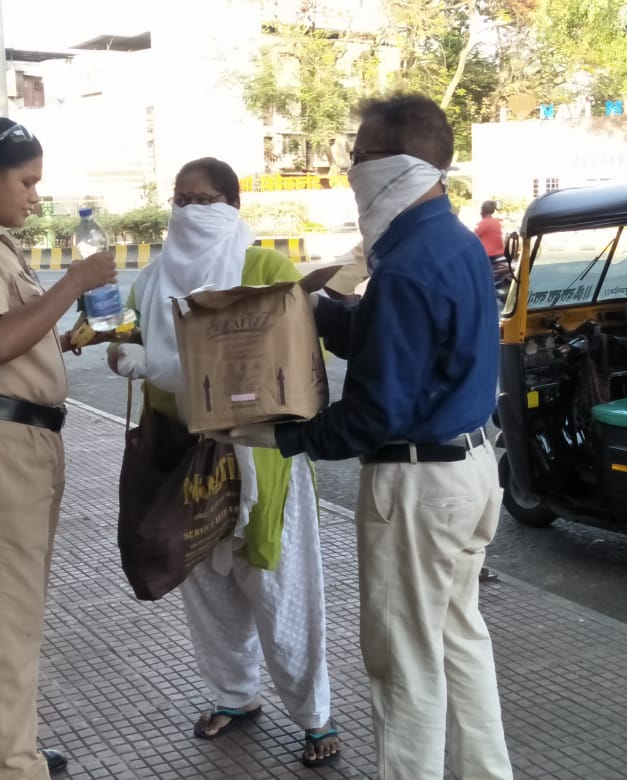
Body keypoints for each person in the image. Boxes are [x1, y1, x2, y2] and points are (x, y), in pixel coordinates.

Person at [215, 96, 514, 779]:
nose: (350, 172)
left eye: (358, 157)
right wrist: (318, 310)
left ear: (394, 166)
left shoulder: (405, 266)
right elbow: (399, 346)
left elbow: (376, 412)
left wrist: (283, 435)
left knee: (402, 663)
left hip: (415, 487)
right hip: (468, 471)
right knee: (458, 642)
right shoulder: (453, 242)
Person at [107, 157, 341, 768]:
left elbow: (288, 359)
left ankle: (315, 715)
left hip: (261, 458)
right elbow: (129, 341)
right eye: (181, 200)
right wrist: (124, 354)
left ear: (233, 206)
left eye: (205, 200)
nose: (191, 211)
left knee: (279, 589)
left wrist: (162, 367)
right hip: (185, 458)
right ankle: (235, 694)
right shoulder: (151, 282)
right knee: (207, 587)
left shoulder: (264, 269)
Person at [0, 117, 118, 780]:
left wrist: (62, 340)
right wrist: (74, 283)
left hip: (12, 438)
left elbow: (14, 337)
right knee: (10, 623)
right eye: (28, 182)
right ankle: (14, 767)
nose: (36, 196)